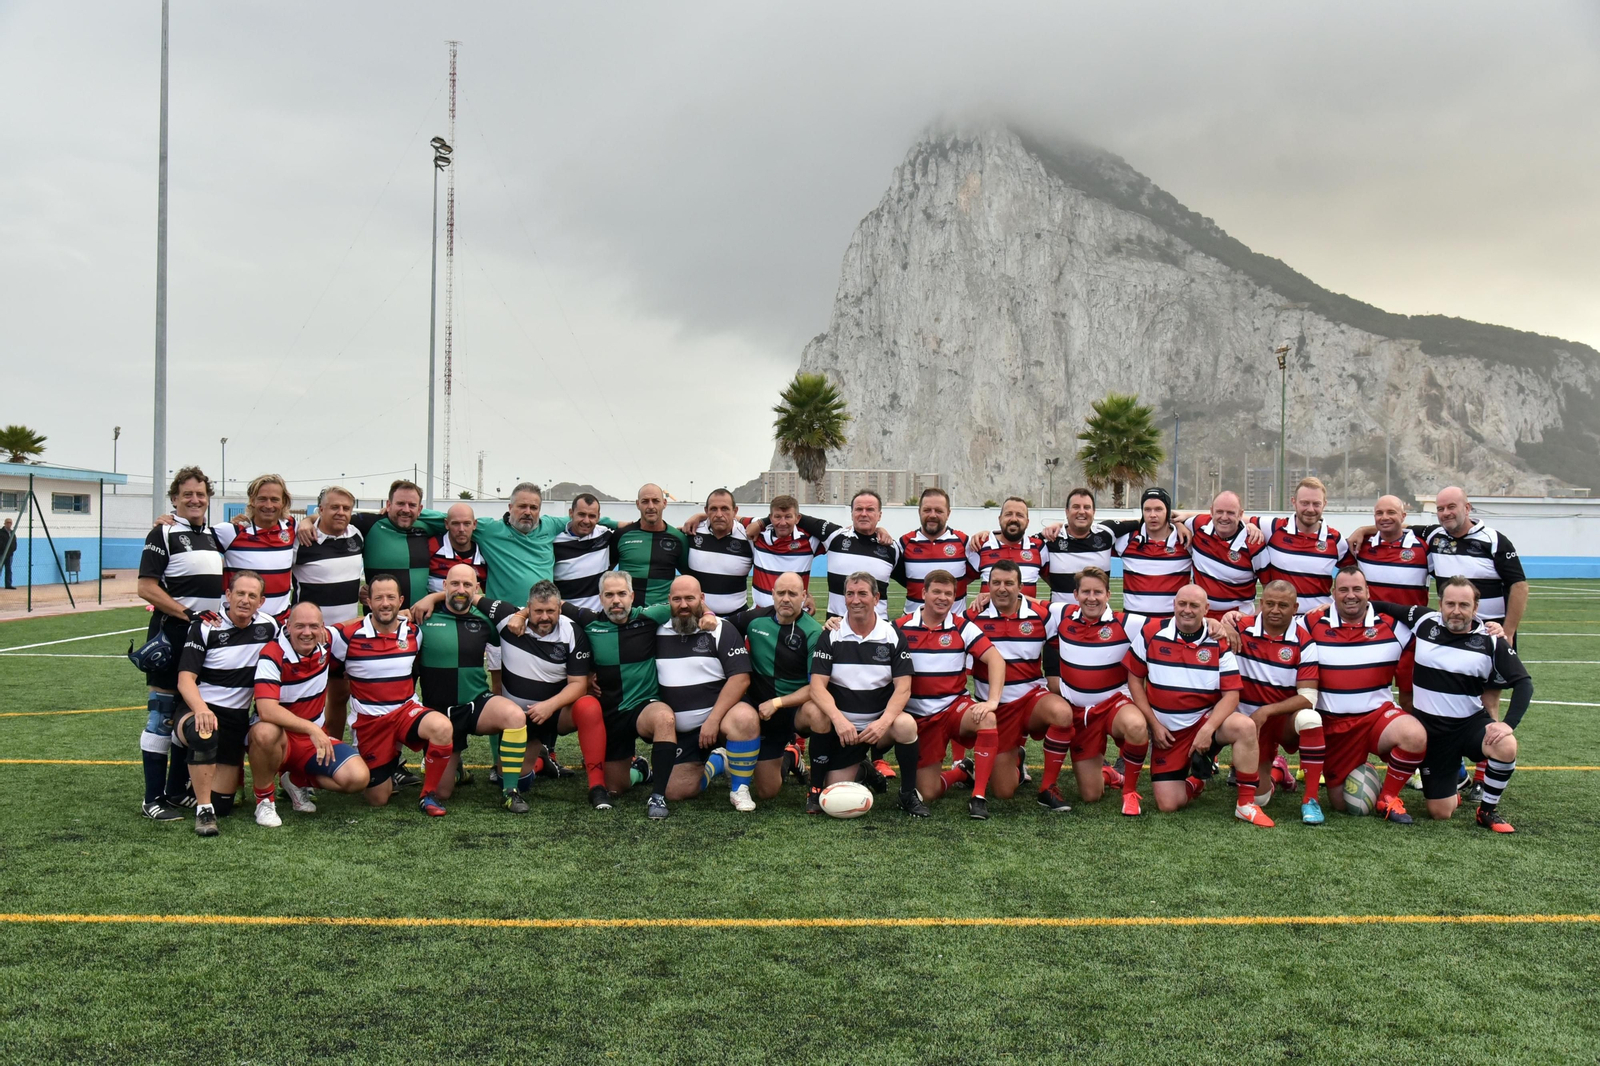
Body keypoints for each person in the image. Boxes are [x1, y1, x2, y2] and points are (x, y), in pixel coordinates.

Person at [1371, 578, 1530, 832]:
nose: (1456, 610)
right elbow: (1383, 606)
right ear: (1440, 604)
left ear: (1475, 608)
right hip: (1433, 734)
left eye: (1464, 605)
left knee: (1506, 744)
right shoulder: (1424, 620)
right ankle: (1453, 786)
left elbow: (1524, 683)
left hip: (1470, 726)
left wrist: (1507, 725)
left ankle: (1487, 810)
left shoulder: (1490, 639)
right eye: (1450, 604)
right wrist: (1330, 608)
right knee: (1440, 813)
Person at [561, 570, 714, 819]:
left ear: (632, 596)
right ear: (600, 598)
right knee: (616, 788)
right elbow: (553, 603)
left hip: (643, 707)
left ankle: (658, 796)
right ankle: (641, 769)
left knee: (664, 718)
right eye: (609, 595)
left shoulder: (649, 616)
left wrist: (708, 613)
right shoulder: (588, 621)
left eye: (622, 594)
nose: (616, 600)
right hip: (610, 713)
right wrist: (588, 674)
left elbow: (689, 601)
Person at [1123, 583, 1272, 826]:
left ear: (1206, 609)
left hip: (1204, 723)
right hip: (1168, 734)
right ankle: (1196, 781)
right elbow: (1135, 680)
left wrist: (1207, 730)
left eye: (1194, 605)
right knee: (1168, 805)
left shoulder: (1217, 640)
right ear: (1174, 605)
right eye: (1182, 604)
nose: (1187, 610)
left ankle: (1245, 804)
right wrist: (1154, 725)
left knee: (1244, 726)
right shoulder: (1151, 632)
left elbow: (1231, 694)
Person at [1297, 567, 1429, 824]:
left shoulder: (1393, 627)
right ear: (1333, 593)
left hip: (1376, 716)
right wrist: (1229, 620)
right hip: (1334, 724)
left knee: (1414, 734)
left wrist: (1487, 629)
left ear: (1368, 592)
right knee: (1343, 804)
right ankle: (1363, 770)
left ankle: (1389, 796)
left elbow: (1436, 632)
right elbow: (1275, 625)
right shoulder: (1311, 622)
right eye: (1343, 589)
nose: (1351, 595)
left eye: (1357, 589)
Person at [464, 580, 610, 809]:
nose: (544, 617)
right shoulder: (506, 617)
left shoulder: (572, 631)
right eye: (538, 611)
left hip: (556, 712)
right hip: (520, 719)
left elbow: (578, 684)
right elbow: (465, 594)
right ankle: (541, 760)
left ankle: (597, 788)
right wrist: (432, 598)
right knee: (514, 782)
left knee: (589, 705)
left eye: (550, 611)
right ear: (527, 608)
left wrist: (549, 706)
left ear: (559, 609)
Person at [135, 466, 225, 821]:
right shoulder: (164, 531)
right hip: (171, 636)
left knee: (184, 715)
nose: (194, 499)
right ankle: (151, 799)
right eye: (187, 494)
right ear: (174, 498)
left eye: (200, 494)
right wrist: (187, 615)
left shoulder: (215, 536)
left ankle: (175, 791)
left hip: (206, 639)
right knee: (161, 716)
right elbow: (146, 587)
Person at [326, 574, 458, 816]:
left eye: (390, 597)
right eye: (378, 598)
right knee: (378, 799)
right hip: (370, 722)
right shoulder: (346, 636)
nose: (385, 603)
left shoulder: (414, 633)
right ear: (368, 602)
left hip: (405, 711)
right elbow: (332, 668)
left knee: (441, 727)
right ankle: (386, 764)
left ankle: (427, 796)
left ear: (401, 601)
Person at [800, 572, 926, 816]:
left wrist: (883, 723)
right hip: (843, 728)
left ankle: (907, 794)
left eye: (862, 594)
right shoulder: (831, 633)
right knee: (833, 787)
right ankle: (864, 771)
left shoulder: (891, 634)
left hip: (877, 726)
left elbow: (903, 688)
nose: (855, 600)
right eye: (850, 594)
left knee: (906, 725)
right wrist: (838, 720)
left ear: (876, 598)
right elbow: (817, 686)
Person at [408, 563, 530, 810]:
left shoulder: (486, 619)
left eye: (467, 585)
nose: (460, 589)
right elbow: (384, 617)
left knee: (515, 716)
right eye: (454, 584)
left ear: (477, 588)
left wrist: (522, 615)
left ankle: (510, 791)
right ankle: (457, 770)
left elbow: (528, 613)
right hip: (439, 714)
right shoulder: (423, 615)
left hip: (476, 703)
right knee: (442, 792)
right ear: (444, 586)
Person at [171, 570, 278, 836]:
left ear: (261, 601)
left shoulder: (269, 627)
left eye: (252, 595)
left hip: (235, 720)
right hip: (199, 708)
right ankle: (203, 812)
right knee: (203, 731)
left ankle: (195, 786)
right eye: (240, 593)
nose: (245, 600)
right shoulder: (207, 627)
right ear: (228, 595)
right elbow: (185, 680)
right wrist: (201, 709)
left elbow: (299, 636)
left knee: (224, 804)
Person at [894, 568, 1005, 818]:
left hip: (953, 708)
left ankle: (978, 796)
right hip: (917, 717)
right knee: (928, 791)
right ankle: (961, 771)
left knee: (986, 717)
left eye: (948, 593)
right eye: (936, 591)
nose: (942, 598)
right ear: (923, 593)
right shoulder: (900, 627)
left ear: (955, 597)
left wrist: (992, 701)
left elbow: (996, 660)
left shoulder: (962, 627)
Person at [1039, 566, 1150, 816]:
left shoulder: (1127, 622)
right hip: (1079, 713)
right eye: (1086, 591)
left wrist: (1214, 623)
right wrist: (984, 597)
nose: (1092, 597)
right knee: (1091, 795)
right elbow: (1027, 603)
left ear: (1108, 594)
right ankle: (1109, 774)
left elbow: (1166, 626)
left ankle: (1130, 792)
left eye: (1098, 592)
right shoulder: (1061, 614)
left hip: (1114, 705)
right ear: (1075, 595)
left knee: (1135, 725)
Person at [964, 559, 1076, 806]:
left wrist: (1056, 683)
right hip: (996, 710)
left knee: (1061, 713)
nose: (1002, 588)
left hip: (1030, 699)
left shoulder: (1042, 615)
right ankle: (1017, 756)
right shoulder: (972, 615)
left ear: (1020, 586)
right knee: (1004, 791)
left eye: (1008, 583)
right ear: (987, 586)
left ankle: (1048, 788)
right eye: (996, 583)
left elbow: (1057, 650)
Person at [248, 601, 371, 823]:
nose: (307, 633)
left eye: (314, 626)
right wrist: (311, 728)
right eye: (300, 626)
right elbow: (267, 710)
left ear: (323, 628)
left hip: (311, 741)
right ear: (287, 626)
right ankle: (264, 801)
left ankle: (296, 780)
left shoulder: (327, 641)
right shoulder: (272, 653)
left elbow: (358, 622)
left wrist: (408, 611)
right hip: (281, 738)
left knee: (358, 778)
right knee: (264, 731)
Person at [652, 576, 762, 810]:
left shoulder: (721, 628)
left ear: (702, 599)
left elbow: (741, 678)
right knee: (674, 791)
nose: (683, 605)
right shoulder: (656, 631)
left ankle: (740, 789)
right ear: (668, 601)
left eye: (690, 598)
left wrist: (712, 720)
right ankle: (718, 761)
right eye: (677, 599)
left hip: (720, 721)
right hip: (684, 733)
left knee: (745, 716)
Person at [1225, 580, 1325, 825]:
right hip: (1248, 725)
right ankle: (1279, 772)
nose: (1275, 610)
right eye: (1269, 603)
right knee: (1258, 799)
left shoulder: (1304, 640)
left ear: (1295, 607)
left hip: (1282, 721)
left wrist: (1267, 711)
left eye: (1283, 605)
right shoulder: (1240, 628)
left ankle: (1310, 799)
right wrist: (1219, 623)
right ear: (1261, 603)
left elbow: (1309, 697)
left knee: (1311, 718)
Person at [722, 571, 824, 800]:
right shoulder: (754, 619)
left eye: (792, 593)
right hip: (758, 709)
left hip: (790, 710)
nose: (786, 598)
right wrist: (709, 615)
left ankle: (816, 781)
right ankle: (790, 756)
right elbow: (722, 628)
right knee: (767, 791)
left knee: (818, 712)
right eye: (781, 593)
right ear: (772, 594)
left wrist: (778, 703)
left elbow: (816, 687)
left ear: (804, 596)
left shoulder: (813, 632)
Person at [749, 491, 898, 618]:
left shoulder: (893, 548)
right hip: (836, 627)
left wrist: (880, 530)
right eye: (859, 509)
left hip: (878, 628)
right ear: (851, 513)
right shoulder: (835, 536)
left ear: (879, 515)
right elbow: (795, 516)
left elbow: (911, 582)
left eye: (870, 510)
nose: (864, 514)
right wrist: (762, 522)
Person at [292, 485, 365, 740]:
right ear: (320, 509)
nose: (341, 512)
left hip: (343, 638)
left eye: (346, 508)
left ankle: (331, 751)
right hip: (309, 637)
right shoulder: (301, 539)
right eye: (334, 507)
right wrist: (306, 521)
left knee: (339, 697)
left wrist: (360, 592)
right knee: (304, 699)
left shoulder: (356, 535)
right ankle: (299, 758)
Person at [1346, 494, 1429, 710]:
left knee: (1409, 698)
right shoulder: (1361, 547)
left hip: (1410, 636)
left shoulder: (1423, 548)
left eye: (1391, 512)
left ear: (1403, 515)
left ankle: (1413, 743)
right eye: (1379, 513)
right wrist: (1363, 531)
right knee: (1365, 695)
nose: (1385, 517)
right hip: (1371, 634)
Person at [1255, 477, 1348, 614]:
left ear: (1324, 504)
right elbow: (1234, 519)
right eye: (1305, 503)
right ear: (1294, 502)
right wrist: (1251, 526)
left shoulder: (1336, 540)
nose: (1310, 509)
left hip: (1320, 622)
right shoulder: (1273, 528)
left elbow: (1352, 581)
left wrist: (1364, 530)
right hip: (1280, 620)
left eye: (1316, 504)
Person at [1113, 487, 1193, 632]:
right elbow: (1090, 534)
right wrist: (1061, 525)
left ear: (1168, 511)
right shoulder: (1126, 540)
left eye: (1158, 509)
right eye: (1147, 510)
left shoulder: (1185, 541)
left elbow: (1217, 519)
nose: (1152, 515)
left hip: (1171, 628)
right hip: (1133, 626)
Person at [1183, 491, 1269, 619]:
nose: (1224, 517)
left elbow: (1269, 587)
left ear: (1240, 514)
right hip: (1201, 617)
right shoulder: (1198, 525)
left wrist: (1253, 620)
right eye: (1219, 512)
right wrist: (1180, 526)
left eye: (1230, 513)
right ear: (1211, 511)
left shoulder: (1254, 543)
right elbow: (1170, 519)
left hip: (1237, 620)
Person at [1039, 489, 1132, 606]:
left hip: (1099, 619)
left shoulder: (1107, 532)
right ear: (1067, 511)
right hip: (1061, 619)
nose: (1081, 512)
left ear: (1094, 512)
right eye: (1076, 507)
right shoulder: (1050, 538)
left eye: (1087, 507)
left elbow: (1144, 522)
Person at [894, 487, 972, 615]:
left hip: (954, 628)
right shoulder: (904, 543)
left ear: (948, 513)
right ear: (919, 512)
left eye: (939, 511)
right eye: (927, 510)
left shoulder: (964, 542)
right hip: (913, 627)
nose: (932, 515)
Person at [611, 483, 688, 607]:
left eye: (655, 501)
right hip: (628, 614)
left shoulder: (679, 538)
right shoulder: (621, 535)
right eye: (645, 501)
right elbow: (608, 572)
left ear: (664, 503)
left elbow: (688, 576)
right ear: (638, 504)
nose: (650, 506)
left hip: (663, 614)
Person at [683, 489, 755, 616]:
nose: (719, 514)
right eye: (713, 509)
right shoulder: (691, 532)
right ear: (706, 511)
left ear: (735, 511)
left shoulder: (748, 536)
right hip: (697, 617)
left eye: (725, 509)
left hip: (736, 617)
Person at [747, 495, 820, 609]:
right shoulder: (759, 535)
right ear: (770, 518)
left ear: (797, 518)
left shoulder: (810, 540)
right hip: (761, 615)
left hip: (796, 616)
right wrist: (761, 523)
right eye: (777, 517)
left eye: (788, 517)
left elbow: (838, 535)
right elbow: (729, 518)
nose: (782, 522)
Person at [967, 497, 1048, 599]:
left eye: (1019, 515)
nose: (1013, 519)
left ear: (1027, 522)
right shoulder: (981, 545)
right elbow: (960, 582)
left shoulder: (1039, 548)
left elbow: (1056, 584)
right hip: (989, 614)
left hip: (1026, 615)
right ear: (1000, 519)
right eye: (1008, 514)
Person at [553, 493, 616, 611]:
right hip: (566, 617)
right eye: (581, 514)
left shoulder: (605, 535)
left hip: (597, 618)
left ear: (598, 517)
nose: (586, 521)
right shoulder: (554, 542)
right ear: (571, 513)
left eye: (592, 516)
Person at [426, 502, 488, 593]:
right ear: (447, 524)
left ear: (474, 524)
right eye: (455, 524)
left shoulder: (485, 554)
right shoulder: (431, 546)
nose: (461, 529)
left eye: (467, 523)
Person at [0, 516, 16, 588]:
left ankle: (8, 585)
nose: (9, 524)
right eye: (8, 523)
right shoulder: (1, 532)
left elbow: (14, 543)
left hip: (9, 555)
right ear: (5, 523)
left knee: (8, 569)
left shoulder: (12, 533)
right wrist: (4, 550)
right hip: (1, 554)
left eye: (10, 523)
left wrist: (12, 549)